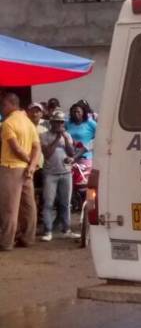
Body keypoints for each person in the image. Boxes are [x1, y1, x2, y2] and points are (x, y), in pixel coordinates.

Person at [0, 93, 41, 250]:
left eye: (3, 105)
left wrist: (29, 162)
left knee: (9, 207)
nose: (2, 109)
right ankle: (28, 238)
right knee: (28, 206)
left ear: (11, 104)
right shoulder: (29, 123)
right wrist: (32, 166)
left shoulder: (8, 123)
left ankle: (6, 242)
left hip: (11, 168)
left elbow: (16, 148)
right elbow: (37, 148)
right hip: (27, 170)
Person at [39, 110, 78, 241]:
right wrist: (57, 138)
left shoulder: (67, 135)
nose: (59, 124)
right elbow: (47, 153)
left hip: (66, 172)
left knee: (66, 203)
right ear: (52, 122)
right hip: (50, 173)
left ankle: (66, 229)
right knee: (49, 203)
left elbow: (72, 153)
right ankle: (48, 231)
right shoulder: (44, 135)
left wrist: (66, 139)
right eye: (56, 122)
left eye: (61, 122)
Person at [66, 102, 97, 174]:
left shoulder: (90, 123)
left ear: (83, 112)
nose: (76, 113)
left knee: (83, 183)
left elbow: (101, 134)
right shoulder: (68, 123)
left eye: (78, 111)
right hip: (71, 158)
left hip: (85, 157)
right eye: (74, 112)